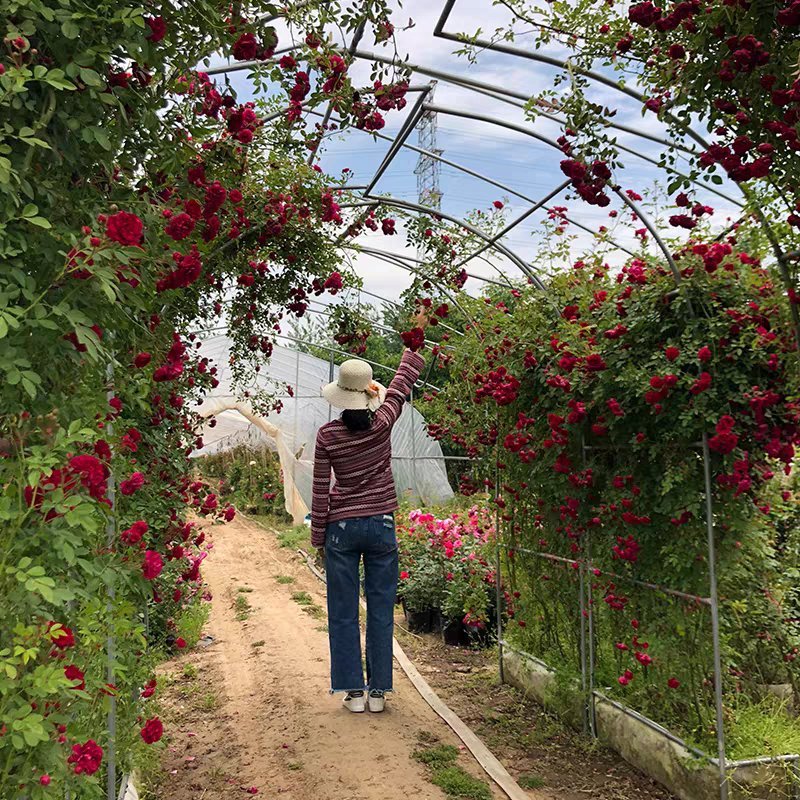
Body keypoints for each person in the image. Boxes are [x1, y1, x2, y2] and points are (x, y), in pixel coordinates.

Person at [311, 315, 428, 713]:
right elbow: (401, 383)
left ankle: (354, 693)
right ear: (368, 393)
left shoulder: (327, 436)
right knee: (380, 607)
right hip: (381, 525)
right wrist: (415, 339)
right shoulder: (382, 423)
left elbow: (320, 490)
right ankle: (378, 692)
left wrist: (318, 540)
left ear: (339, 396)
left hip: (341, 529)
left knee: (343, 611)